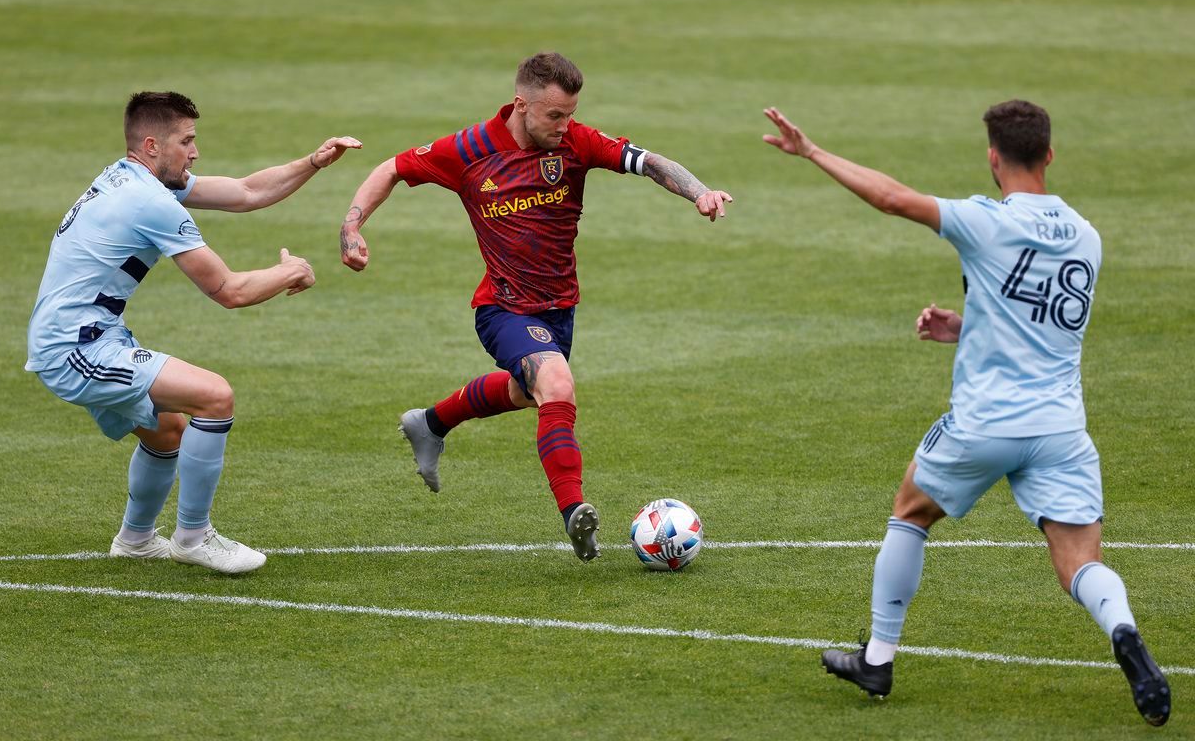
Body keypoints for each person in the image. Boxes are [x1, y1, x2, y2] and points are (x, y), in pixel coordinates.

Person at [762, 101, 1170, 726]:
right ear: (1050, 155)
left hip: (985, 424)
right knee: (1080, 561)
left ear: (992, 157)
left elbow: (894, 199)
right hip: (1060, 428)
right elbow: (1039, 321)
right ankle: (1125, 633)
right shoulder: (1088, 236)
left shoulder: (985, 221)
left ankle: (877, 657)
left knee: (911, 511)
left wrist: (813, 152)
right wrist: (966, 327)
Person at [339, 52, 733, 562]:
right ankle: (574, 513)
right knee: (557, 384)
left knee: (532, 393)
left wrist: (699, 192)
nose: (564, 125)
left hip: (559, 309)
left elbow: (650, 161)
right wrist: (352, 226)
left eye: (570, 114)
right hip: (502, 308)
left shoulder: (575, 142)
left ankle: (431, 422)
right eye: (554, 115)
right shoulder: (469, 150)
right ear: (521, 105)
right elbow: (390, 168)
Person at [25, 91, 361, 574]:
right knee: (214, 396)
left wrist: (313, 161)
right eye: (187, 141)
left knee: (167, 430)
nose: (195, 152)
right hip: (73, 347)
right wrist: (290, 272)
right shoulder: (150, 202)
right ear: (151, 145)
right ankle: (194, 536)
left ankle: (137, 540)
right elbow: (227, 290)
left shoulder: (129, 177)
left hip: (94, 336)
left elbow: (247, 192)